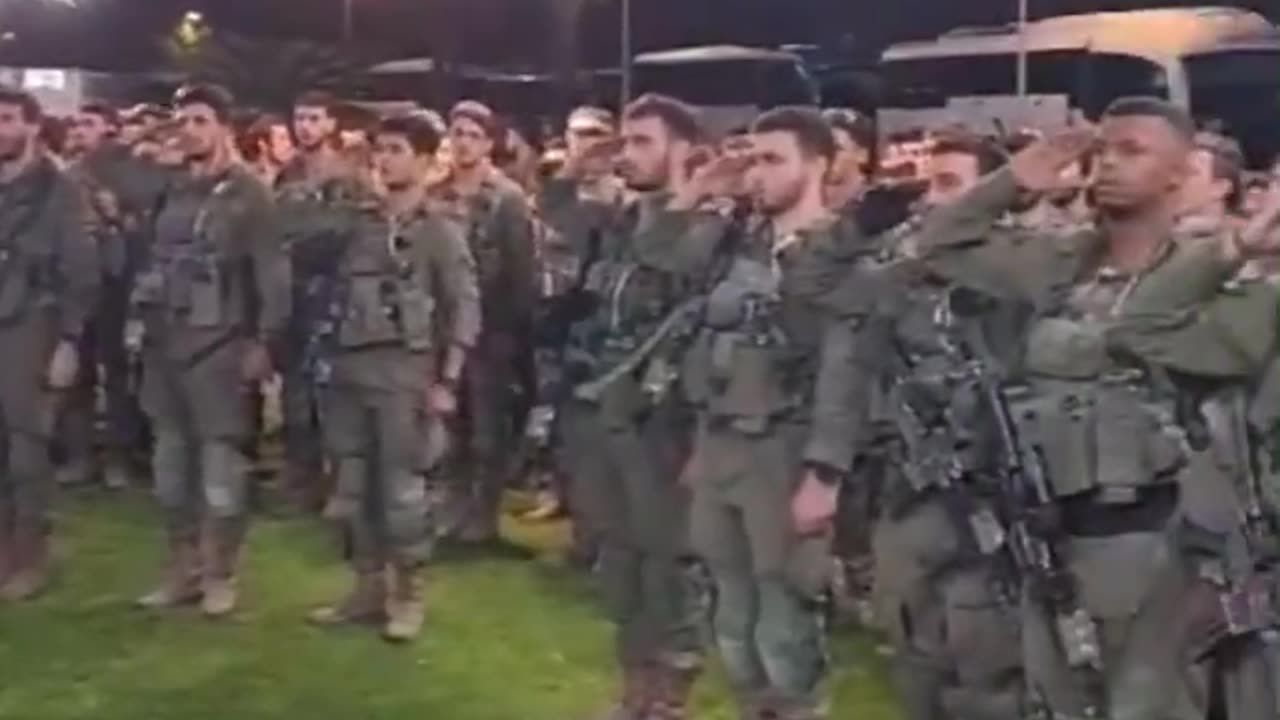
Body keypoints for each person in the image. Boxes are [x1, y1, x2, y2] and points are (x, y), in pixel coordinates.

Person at [912, 97, 1278, 720]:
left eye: (1132, 150)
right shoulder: (1059, 261)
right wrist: (1013, 181)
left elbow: (1150, 332)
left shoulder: (1233, 282)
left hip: (1163, 540)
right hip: (1046, 526)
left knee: (1150, 705)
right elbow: (940, 246)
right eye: (1101, 149)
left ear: (1180, 171)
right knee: (1056, 697)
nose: (1107, 163)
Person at [810, 136, 1029, 720]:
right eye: (929, 185)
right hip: (910, 485)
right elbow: (825, 304)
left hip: (997, 494)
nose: (934, 200)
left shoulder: (1021, 264)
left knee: (988, 654)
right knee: (912, 641)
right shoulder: (900, 271)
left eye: (952, 185)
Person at [678, 107, 868, 719]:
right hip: (722, 444)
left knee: (784, 615)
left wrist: (825, 475)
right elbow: (668, 268)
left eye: (772, 159)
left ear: (818, 164)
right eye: (753, 158)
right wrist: (703, 193)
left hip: (786, 451)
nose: (756, 173)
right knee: (730, 615)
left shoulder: (839, 253)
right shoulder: (739, 243)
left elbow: (846, 369)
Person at [557, 94, 722, 719]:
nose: (628, 155)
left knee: (670, 562)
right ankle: (634, 690)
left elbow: (666, 264)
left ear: (685, 150)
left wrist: (684, 200)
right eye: (625, 143)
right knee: (619, 555)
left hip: (668, 419)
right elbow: (558, 218)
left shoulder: (712, 224)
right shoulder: (622, 220)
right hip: (609, 409)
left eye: (643, 142)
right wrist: (580, 164)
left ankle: (669, 699)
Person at [307, 114, 480, 643]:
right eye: (380, 150)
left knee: (403, 493)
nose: (384, 159)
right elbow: (303, 247)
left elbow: (463, 308)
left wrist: (447, 380)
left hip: (406, 376)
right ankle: (366, 587)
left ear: (427, 161)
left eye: (397, 150)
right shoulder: (356, 223)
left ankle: (408, 594)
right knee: (353, 488)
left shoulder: (440, 230)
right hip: (349, 372)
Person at [130, 84, 287, 619]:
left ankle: (221, 573)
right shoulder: (170, 189)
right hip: (165, 348)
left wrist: (264, 343)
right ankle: (183, 570)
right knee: (171, 473)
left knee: (222, 476)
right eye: (183, 120)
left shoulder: (251, 193)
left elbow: (271, 274)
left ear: (223, 125)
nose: (189, 129)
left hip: (220, 350)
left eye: (200, 119)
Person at [0, 85, 98, 602]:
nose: (0, 129)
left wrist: (68, 340)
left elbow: (80, 272)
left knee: (27, 447)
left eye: (8, 119)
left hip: (31, 326)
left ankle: (30, 554)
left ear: (33, 126)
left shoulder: (58, 190)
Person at [433, 100, 537, 545]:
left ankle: (484, 516)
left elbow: (522, 269)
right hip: (442, 327)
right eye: (457, 133)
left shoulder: (507, 198)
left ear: (490, 143)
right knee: (451, 426)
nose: (463, 143)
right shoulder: (436, 194)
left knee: (488, 430)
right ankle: (454, 508)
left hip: (492, 329)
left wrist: (514, 331)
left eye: (474, 134)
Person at [274, 90, 347, 512]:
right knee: (295, 396)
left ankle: (338, 485)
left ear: (330, 125)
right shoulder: (287, 175)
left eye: (315, 118)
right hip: (293, 297)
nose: (306, 126)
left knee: (332, 398)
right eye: (300, 118)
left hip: (330, 299)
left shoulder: (346, 177)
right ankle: (301, 481)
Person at [240, 114, 295, 187]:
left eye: (289, 138)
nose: (289, 144)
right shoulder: (247, 182)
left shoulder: (295, 178)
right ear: (263, 144)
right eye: (282, 138)